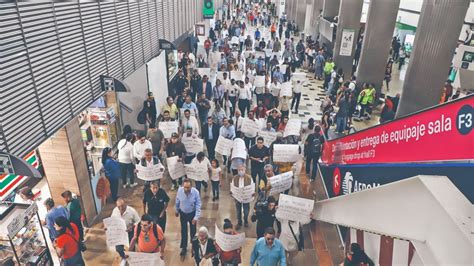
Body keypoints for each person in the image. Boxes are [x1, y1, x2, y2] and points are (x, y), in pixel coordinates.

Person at [175, 178, 202, 256]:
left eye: (188, 187)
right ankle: (184, 247)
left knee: (193, 231)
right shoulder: (180, 191)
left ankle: (194, 247)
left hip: (192, 214)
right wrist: (177, 210)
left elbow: (198, 205)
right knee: (183, 230)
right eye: (185, 187)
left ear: (191, 186)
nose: (186, 189)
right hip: (183, 213)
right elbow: (177, 201)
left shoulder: (195, 192)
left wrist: (196, 217)